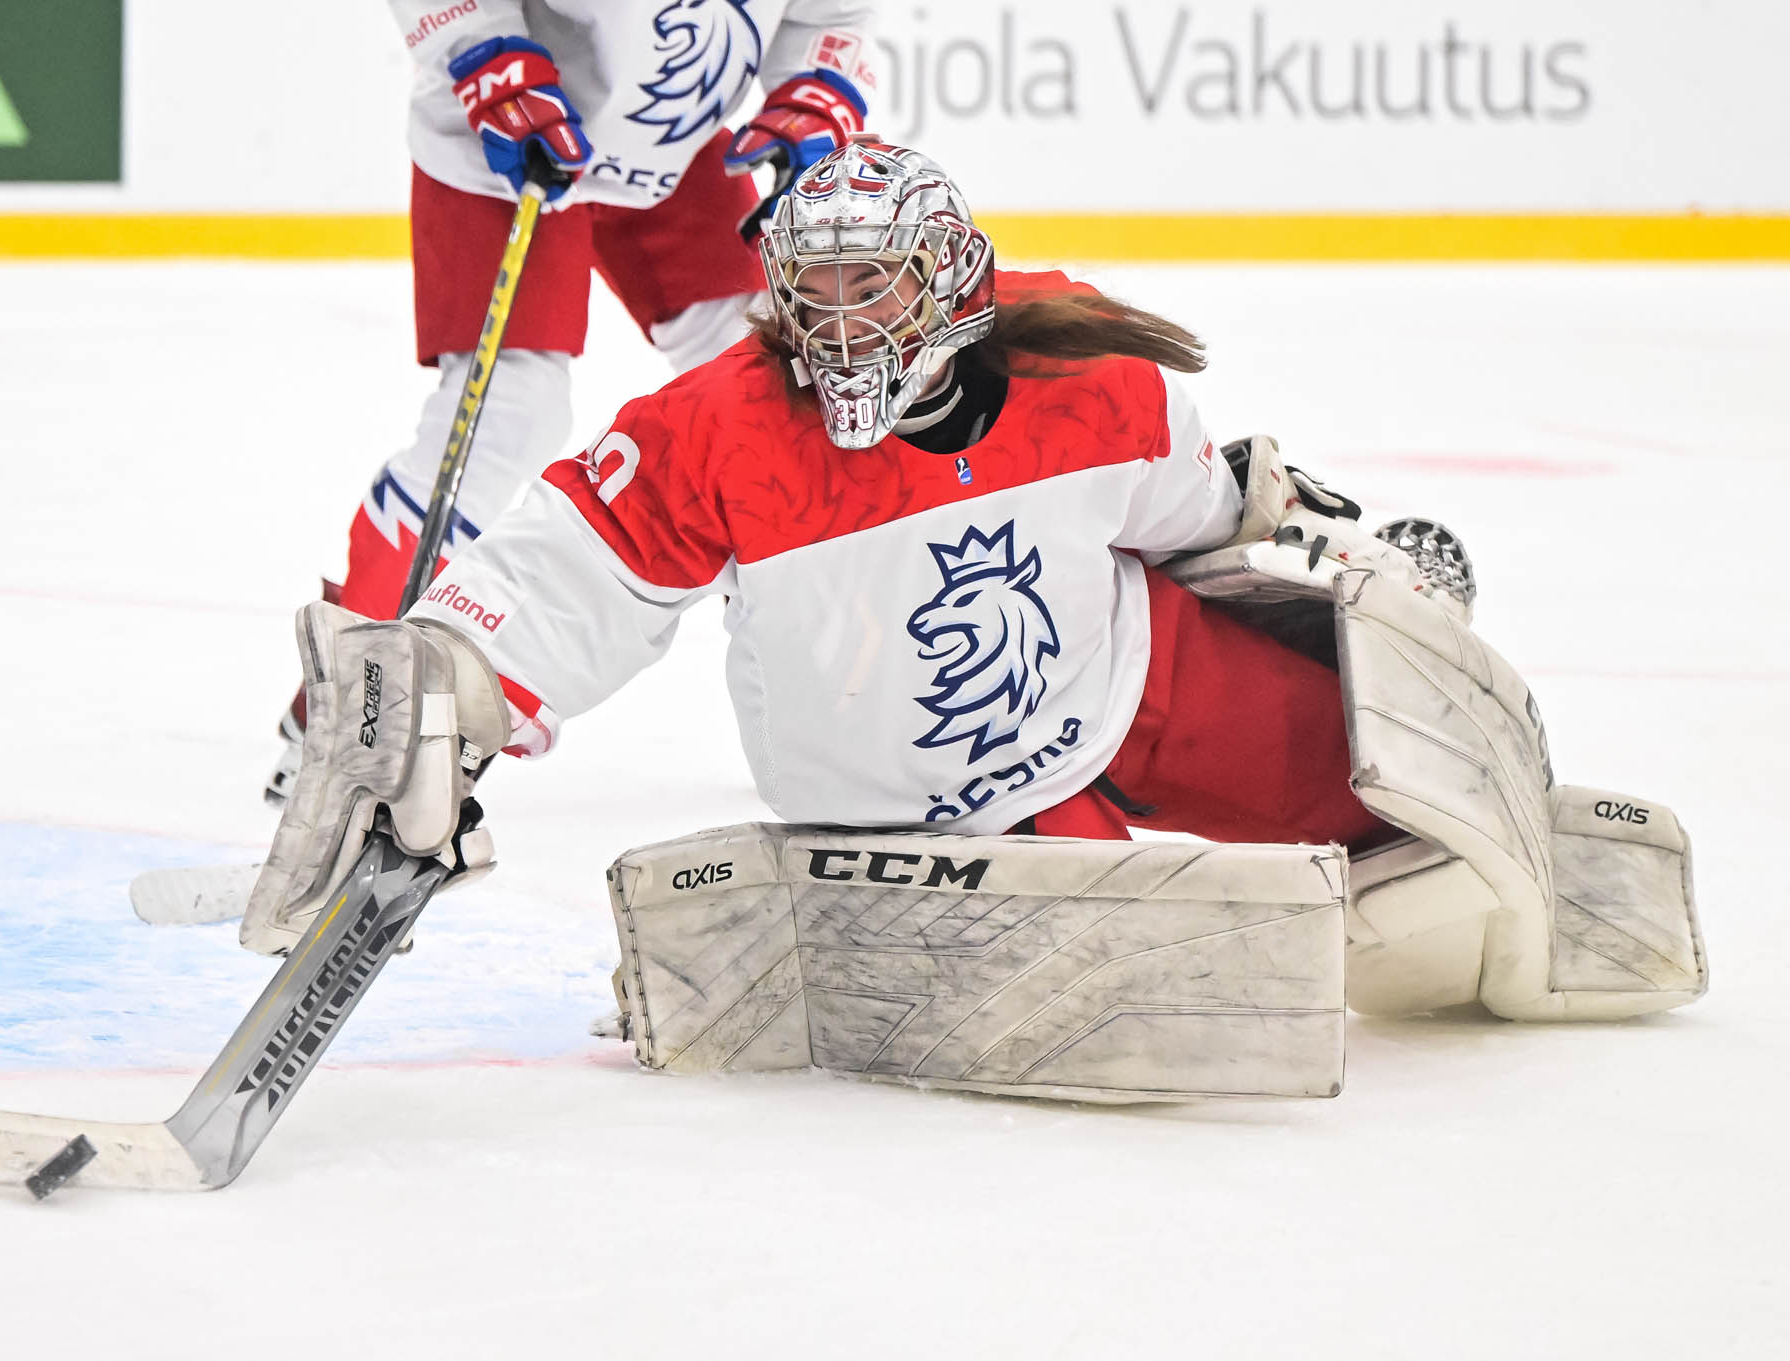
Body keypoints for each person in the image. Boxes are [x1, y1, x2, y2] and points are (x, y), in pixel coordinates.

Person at [237, 138, 1489, 958]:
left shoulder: (1089, 374)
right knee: (1110, 969)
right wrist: (437, 696)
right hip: (927, 818)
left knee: (1418, 808)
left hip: (1132, 685)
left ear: (947, 283)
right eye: (814, 289)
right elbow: (567, 572)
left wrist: (1306, 539)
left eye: (870, 286)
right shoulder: (722, 427)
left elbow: (1194, 519)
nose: (837, 326)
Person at [264, 1, 881, 801]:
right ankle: (349, 700)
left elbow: (832, 14)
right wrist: (481, 49)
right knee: (509, 414)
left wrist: (813, 82)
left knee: (771, 393)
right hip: (508, 135)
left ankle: (830, 704)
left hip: (676, 145)